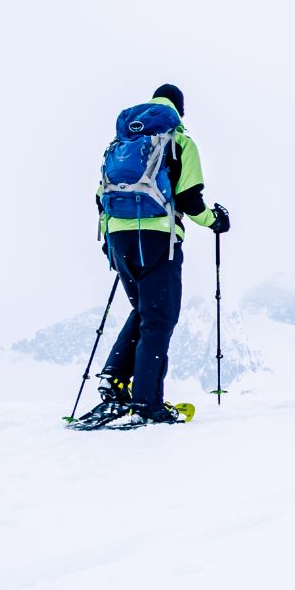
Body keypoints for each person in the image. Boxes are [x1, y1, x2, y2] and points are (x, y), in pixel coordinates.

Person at [76, 83, 229, 428]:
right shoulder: (179, 141)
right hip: (159, 238)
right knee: (160, 318)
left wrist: (111, 240)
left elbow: (101, 196)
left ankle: (114, 381)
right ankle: (147, 402)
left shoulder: (122, 143)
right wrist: (215, 221)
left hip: (118, 237)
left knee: (144, 310)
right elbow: (190, 200)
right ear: (180, 109)